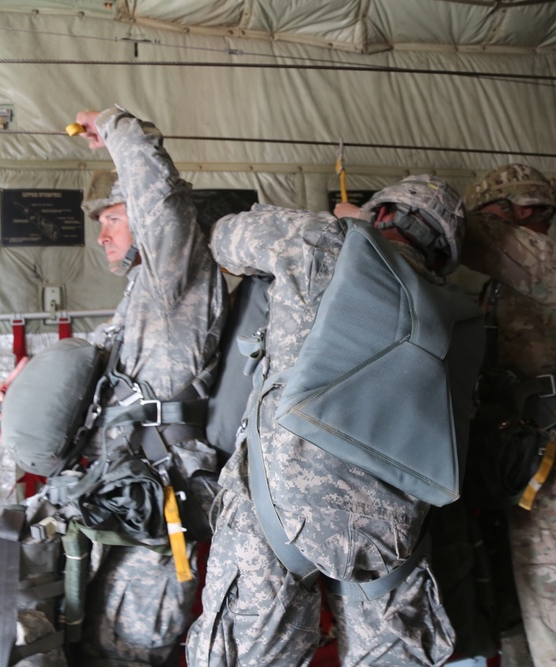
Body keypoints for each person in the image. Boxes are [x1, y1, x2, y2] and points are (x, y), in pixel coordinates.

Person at [186, 176, 466, 667]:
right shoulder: (459, 314)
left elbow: (224, 239)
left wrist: (341, 225)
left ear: (379, 215)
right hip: (389, 537)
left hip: (272, 513)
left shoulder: (319, 238)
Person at [0, 106, 227, 666]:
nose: (101, 236)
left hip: (153, 525)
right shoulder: (142, 300)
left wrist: (118, 127)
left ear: (143, 220)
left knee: (121, 655)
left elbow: (164, 204)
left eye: (111, 219)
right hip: (117, 505)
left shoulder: (174, 279)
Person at [462, 164, 556, 667]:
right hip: (521, 451)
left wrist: (379, 219)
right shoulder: (507, 282)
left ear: (518, 211)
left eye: (489, 215)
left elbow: (462, 235)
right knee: (519, 601)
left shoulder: (547, 258)